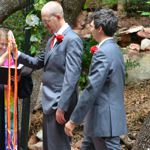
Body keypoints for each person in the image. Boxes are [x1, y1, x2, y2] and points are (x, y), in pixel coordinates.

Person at [14, 1, 83, 150]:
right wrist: (17, 54)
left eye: (47, 21)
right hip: (49, 100)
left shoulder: (72, 40)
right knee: (50, 145)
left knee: (58, 146)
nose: (45, 25)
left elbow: (72, 76)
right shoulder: (52, 39)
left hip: (60, 102)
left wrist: (62, 106)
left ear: (57, 16)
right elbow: (38, 62)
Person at [65, 9, 127, 150]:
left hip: (104, 122)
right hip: (99, 121)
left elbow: (92, 89)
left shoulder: (103, 53)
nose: (90, 29)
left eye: (92, 26)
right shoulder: (115, 50)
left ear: (100, 29)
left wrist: (74, 120)